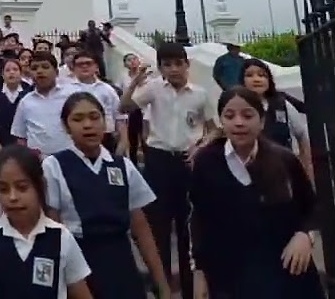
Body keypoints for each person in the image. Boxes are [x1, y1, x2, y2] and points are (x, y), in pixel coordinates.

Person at [188, 88, 324, 299]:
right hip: (230, 276)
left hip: (285, 271)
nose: (239, 122)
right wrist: (199, 271)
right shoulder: (206, 162)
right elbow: (200, 219)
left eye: (248, 115)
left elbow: (312, 207)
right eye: (230, 116)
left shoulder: (284, 159)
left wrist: (305, 235)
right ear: (221, 121)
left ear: (261, 121)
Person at [44, 93, 171, 298]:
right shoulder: (54, 166)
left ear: (105, 122)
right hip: (79, 264)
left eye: (94, 117)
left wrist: (162, 285)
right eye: (78, 119)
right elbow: (53, 231)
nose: (88, 125)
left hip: (122, 262)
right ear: (66, 126)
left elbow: (141, 230)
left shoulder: (122, 166)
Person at [118, 42, 216, 299]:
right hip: (158, 161)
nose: (173, 70)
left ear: (187, 64)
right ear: (161, 68)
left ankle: (188, 286)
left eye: (178, 64)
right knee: (158, 227)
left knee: (187, 227)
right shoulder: (153, 90)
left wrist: (201, 145)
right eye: (167, 65)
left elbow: (214, 128)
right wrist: (134, 83)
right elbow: (124, 107)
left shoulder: (200, 94)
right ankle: (161, 286)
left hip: (188, 161)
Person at [0, 145, 93, 298]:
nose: (13, 197)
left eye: (22, 188)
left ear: (40, 186)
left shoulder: (61, 238)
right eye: (3, 189)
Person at [239, 58, 313, 179]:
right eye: (250, 75)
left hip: (283, 174)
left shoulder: (283, 105)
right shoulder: (236, 108)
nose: (256, 79)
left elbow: (302, 137)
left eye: (262, 75)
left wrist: (306, 168)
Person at [11, 52, 81, 158]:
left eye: (45, 67)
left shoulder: (73, 95)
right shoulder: (25, 102)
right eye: (34, 68)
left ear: (56, 72)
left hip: (72, 158)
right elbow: (21, 137)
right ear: (30, 74)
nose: (39, 71)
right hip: (38, 162)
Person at [66, 51, 124, 155]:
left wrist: (123, 142)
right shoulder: (66, 91)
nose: (84, 66)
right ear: (73, 68)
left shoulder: (108, 90)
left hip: (106, 138)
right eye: (80, 64)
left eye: (88, 63)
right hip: (76, 138)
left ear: (96, 66)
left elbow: (119, 117)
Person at [0, 57, 28, 150]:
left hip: (26, 145)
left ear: (21, 73)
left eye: (15, 69)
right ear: (2, 74)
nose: (11, 72)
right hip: (0, 144)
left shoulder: (28, 93)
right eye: (7, 70)